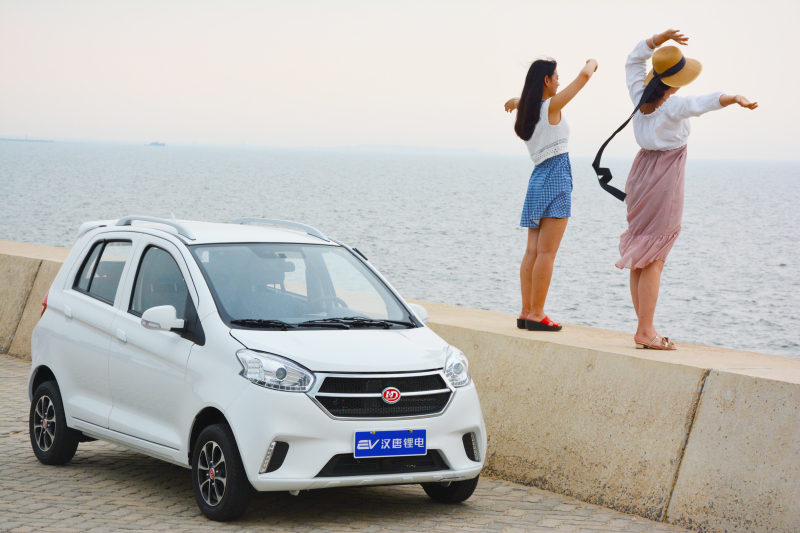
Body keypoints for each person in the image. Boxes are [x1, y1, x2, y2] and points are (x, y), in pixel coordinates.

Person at [618, 29, 757, 350]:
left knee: (641, 252)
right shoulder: (672, 107)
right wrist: (734, 98)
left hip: (640, 174)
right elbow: (702, 102)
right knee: (655, 256)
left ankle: (644, 328)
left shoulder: (639, 94)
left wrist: (658, 39)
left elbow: (633, 60)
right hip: (665, 177)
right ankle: (646, 330)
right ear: (674, 83)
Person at [504, 58, 598, 331]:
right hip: (557, 177)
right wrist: (593, 62)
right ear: (546, 81)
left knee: (532, 251)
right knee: (546, 253)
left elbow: (525, 102)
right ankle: (537, 313)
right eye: (556, 77)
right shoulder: (550, 107)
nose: (559, 81)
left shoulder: (528, 112)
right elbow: (584, 76)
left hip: (537, 179)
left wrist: (515, 101)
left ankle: (526, 312)